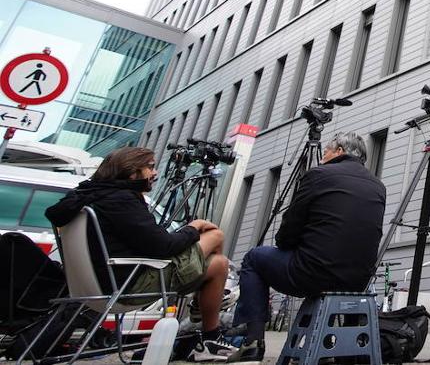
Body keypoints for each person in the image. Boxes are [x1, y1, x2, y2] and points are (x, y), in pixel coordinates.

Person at [45, 146, 237, 361]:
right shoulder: (121, 200)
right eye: (150, 167)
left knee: (216, 261)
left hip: (90, 287)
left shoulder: (85, 197)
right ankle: (206, 328)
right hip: (129, 286)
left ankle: (201, 323)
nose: (155, 173)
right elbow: (163, 247)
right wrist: (194, 226)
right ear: (131, 171)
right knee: (216, 240)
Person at [228, 133, 385, 362]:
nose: (322, 156)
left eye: (326, 152)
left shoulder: (319, 174)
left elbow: (289, 230)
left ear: (339, 151)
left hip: (312, 274)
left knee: (254, 258)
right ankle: (337, 348)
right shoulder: (378, 186)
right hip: (358, 281)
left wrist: (291, 244)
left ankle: (251, 339)